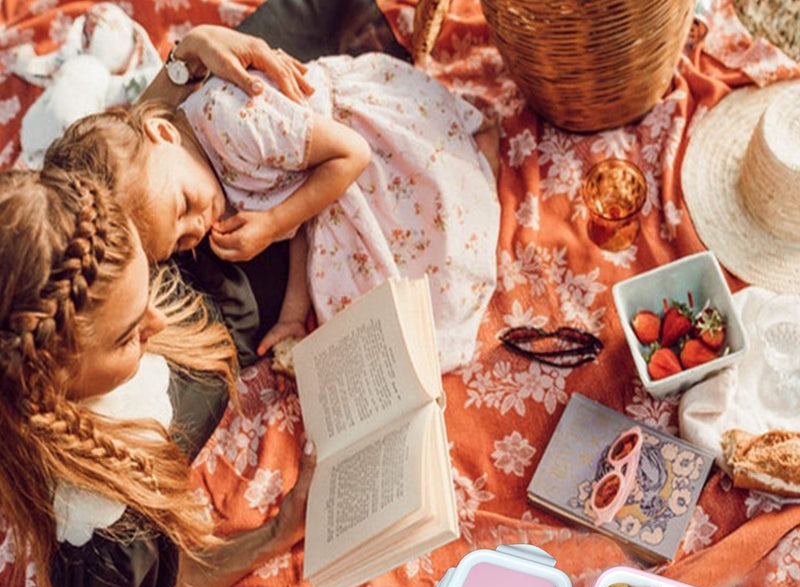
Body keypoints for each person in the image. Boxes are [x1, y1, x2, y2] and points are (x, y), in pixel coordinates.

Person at [0, 167, 316, 587]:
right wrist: (279, 530)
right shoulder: (102, 537)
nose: (159, 320)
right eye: (128, 335)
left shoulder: (74, 241)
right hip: (243, 315)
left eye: (147, 282)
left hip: (241, 270)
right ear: (52, 382)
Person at [45, 52, 501, 373]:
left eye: (184, 207)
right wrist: (290, 314)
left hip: (360, 144)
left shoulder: (233, 122)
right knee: (372, 319)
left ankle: (478, 154)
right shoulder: (197, 176)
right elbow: (300, 217)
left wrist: (272, 223)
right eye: (182, 240)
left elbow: (352, 154)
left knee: (443, 237)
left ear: (163, 132)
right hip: (324, 181)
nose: (197, 226)